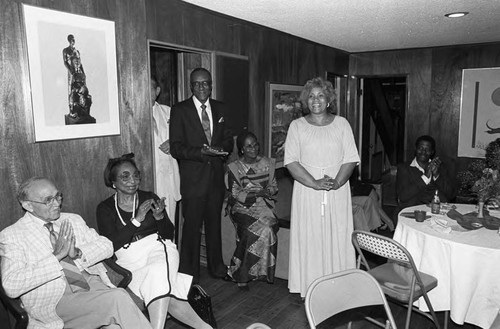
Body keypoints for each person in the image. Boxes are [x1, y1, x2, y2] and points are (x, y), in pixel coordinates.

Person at [0, 177, 152, 329]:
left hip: (92, 284)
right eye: (48, 200)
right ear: (28, 205)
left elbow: (107, 245)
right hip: (54, 300)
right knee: (118, 298)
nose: (57, 203)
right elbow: (11, 286)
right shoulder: (13, 235)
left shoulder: (73, 219)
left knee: (116, 324)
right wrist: (56, 258)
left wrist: (78, 253)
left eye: (58, 196)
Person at [96, 153, 213, 329]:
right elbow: (110, 246)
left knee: (158, 270)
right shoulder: (104, 208)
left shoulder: (149, 197)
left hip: (158, 248)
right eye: (125, 176)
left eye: (136, 175)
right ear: (113, 182)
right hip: (128, 260)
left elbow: (168, 234)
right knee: (166, 293)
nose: (132, 180)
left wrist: (159, 218)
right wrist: (136, 220)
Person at [284, 76, 360, 298]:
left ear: (329, 99)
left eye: (320, 95)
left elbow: (351, 158)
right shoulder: (296, 127)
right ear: (305, 101)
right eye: (311, 96)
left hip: (337, 191)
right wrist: (315, 184)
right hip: (307, 192)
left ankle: (339, 285)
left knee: (337, 235)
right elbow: (291, 162)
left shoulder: (342, 124)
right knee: (311, 237)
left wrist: (337, 181)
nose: (315, 99)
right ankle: (311, 286)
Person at [170, 67, 233, 283]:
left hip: (215, 178)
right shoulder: (180, 110)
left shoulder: (221, 108)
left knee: (214, 225)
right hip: (193, 180)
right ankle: (189, 274)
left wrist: (222, 150)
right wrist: (200, 152)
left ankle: (216, 267)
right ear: (191, 86)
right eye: (196, 84)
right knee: (192, 227)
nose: (201, 87)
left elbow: (227, 139)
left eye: (205, 83)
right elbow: (176, 148)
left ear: (211, 84)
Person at [226, 131, 279, 290]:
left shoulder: (268, 163)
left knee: (268, 228)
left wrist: (268, 191)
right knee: (252, 231)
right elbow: (235, 194)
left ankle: (258, 273)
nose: (253, 148)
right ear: (241, 149)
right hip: (241, 208)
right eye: (248, 146)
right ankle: (241, 274)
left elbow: (274, 186)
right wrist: (256, 193)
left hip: (264, 207)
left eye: (255, 144)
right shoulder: (235, 168)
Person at [150, 76, 181, 224]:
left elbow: (185, 138)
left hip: (168, 177)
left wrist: (173, 142)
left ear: (157, 91)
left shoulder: (168, 112)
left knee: (169, 223)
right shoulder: (132, 115)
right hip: (148, 178)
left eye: (149, 88)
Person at [396, 135, 454, 210]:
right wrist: (425, 177)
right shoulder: (404, 168)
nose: (423, 152)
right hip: (412, 211)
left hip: (438, 211)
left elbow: (450, 195)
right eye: (420, 148)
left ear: (432, 152)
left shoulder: (440, 167)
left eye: (427, 149)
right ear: (416, 149)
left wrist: (437, 175)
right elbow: (403, 196)